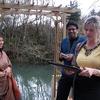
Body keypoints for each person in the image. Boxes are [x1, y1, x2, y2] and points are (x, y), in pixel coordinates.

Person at [56, 20, 86, 100]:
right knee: (60, 97)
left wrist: (73, 56)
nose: (71, 31)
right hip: (65, 74)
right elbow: (60, 57)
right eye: (69, 29)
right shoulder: (64, 41)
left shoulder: (84, 40)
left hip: (78, 75)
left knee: (78, 97)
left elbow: (87, 56)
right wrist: (61, 55)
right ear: (67, 30)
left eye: (73, 29)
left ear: (77, 30)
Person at [74, 15, 100, 100]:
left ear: (99, 31)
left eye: (91, 30)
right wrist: (72, 70)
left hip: (95, 88)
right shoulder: (79, 46)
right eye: (86, 30)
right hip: (78, 86)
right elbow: (76, 65)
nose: (88, 32)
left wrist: (94, 71)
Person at [0, 33, 21, 100]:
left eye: (2, 40)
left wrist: (9, 68)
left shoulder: (3, 53)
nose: (1, 42)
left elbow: (9, 64)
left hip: (7, 83)